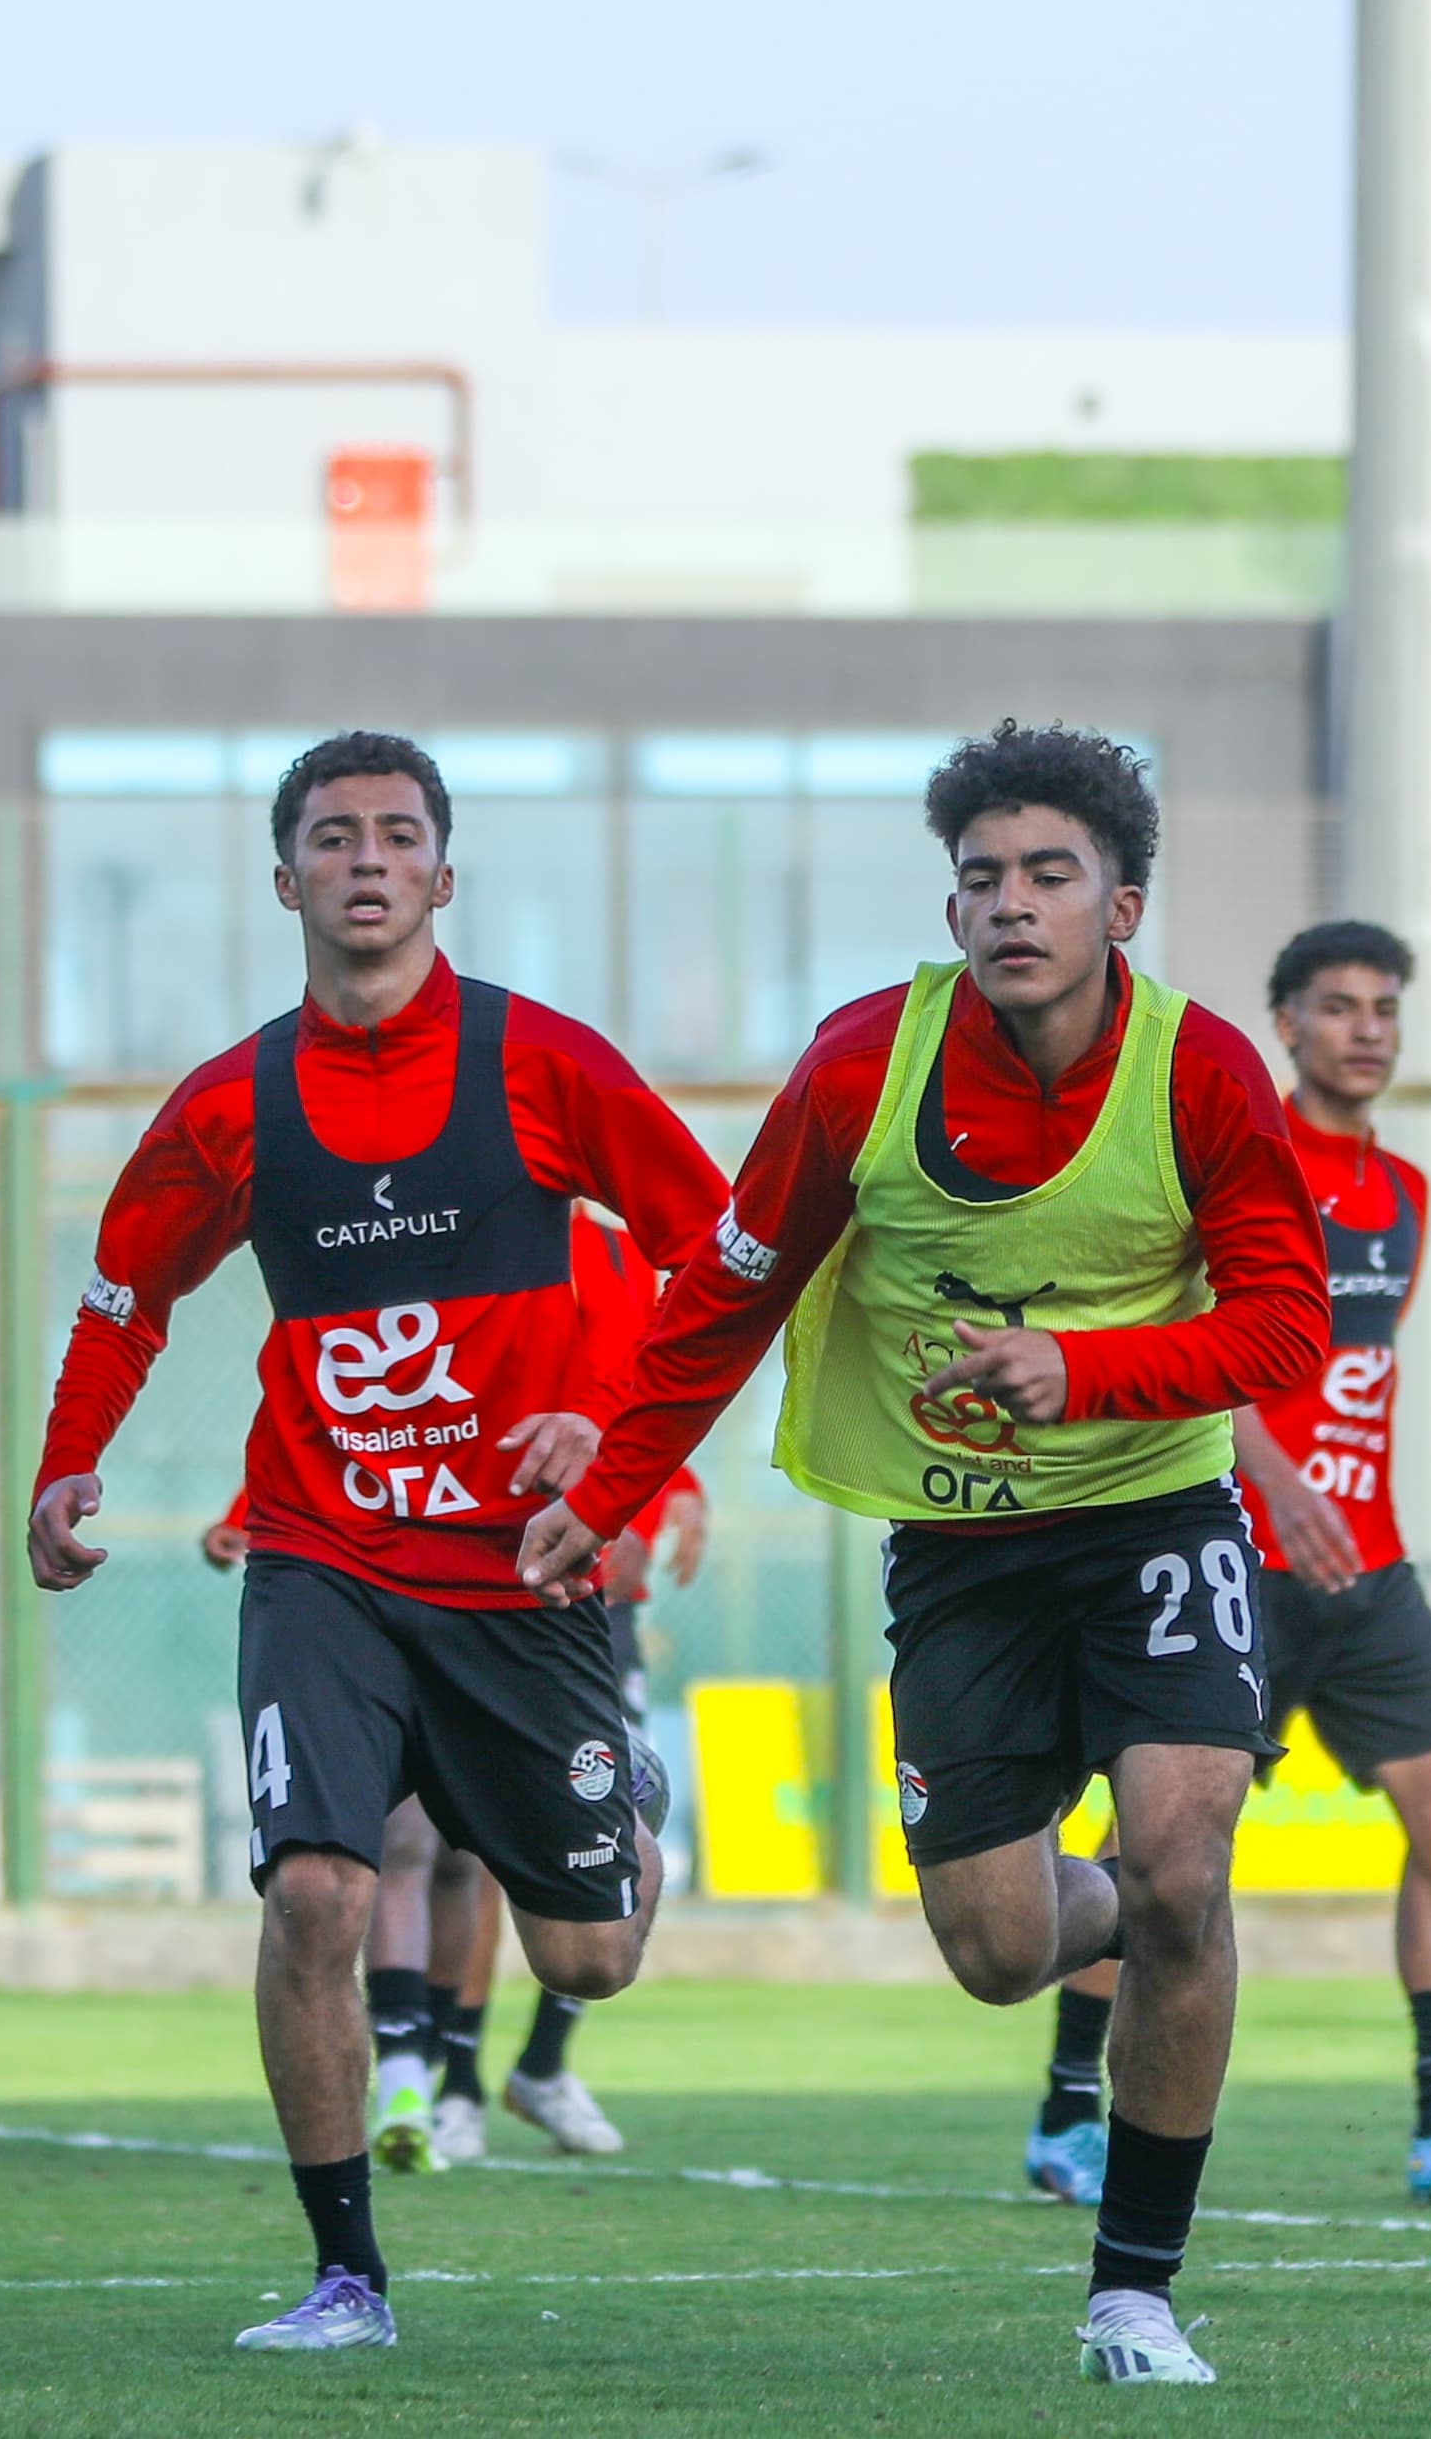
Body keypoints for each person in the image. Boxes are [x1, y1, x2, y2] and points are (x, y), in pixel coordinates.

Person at [519, 722, 1329, 2390]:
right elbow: (724, 1294)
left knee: (1187, 1861)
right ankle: (1118, 1910)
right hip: (960, 1554)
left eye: (1047, 874)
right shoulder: (853, 1069)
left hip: (1152, 1516)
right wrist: (603, 1485)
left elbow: (1280, 1322)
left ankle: (1131, 2291)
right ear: (947, 902)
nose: (1008, 903)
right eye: (979, 877)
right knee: (992, 1945)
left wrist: (1082, 1370)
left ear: (1120, 900)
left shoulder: (1200, 1075)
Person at [31, 728, 727, 2360]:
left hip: (517, 1571)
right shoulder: (228, 1103)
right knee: (316, 1899)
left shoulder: (546, 1063)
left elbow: (718, 1250)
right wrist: (69, 1463)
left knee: (590, 1955)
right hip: (320, 1553)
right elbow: (129, 1292)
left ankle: (628, 1797)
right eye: (332, 835)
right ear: (285, 878)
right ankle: (347, 2276)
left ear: (440, 873)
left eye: (395, 833)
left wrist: (619, 1434)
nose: (363, 857)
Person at [1025, 921, 1431, 2209]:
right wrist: (1275, 1477)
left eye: (1385, 1006)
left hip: (1368, 1567)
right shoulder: (1245, 1154)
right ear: (1284, 1023)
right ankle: (1069, 2110)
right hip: (1234, 1551)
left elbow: (1356, 1376)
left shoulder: (1405, 1190)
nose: (1368, 1028)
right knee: (1156, 1853)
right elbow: (1190, 1338)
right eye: (1339, 1005)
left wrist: (1333, 1496)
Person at [194, 1210, 708, 2171]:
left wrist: (653, 1489)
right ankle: (432, 2075)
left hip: (550, 1580)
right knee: (412, 1841)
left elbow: (661, 1370)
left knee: (564, 1930)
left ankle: (536, 2057)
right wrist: (245, 1513)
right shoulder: (410, 1232)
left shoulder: (608, 1249)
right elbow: (352, 1389)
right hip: (390, 1571)